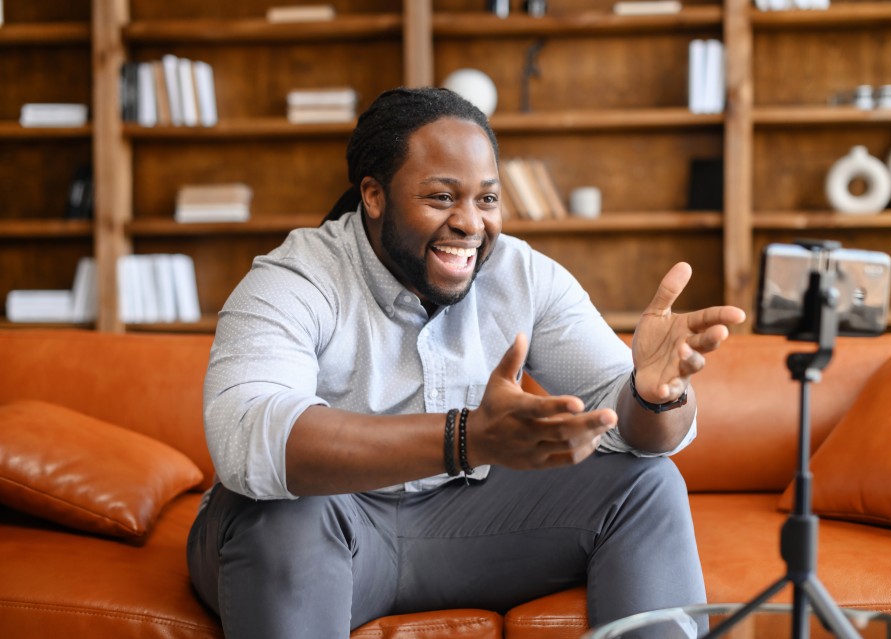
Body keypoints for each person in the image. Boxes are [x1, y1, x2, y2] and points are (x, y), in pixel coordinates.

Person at [187, 86, 746, 639]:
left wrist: (653, 395)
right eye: (440, 197)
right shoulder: (296, 278)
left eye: (486, 199)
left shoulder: (523, 275)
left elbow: (639, 428)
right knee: (284, 512)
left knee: (647, 482)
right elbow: (248, 437)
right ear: (374, 196)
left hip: (460, 530)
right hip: (323, 532)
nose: (471, 224)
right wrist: (465, 438)